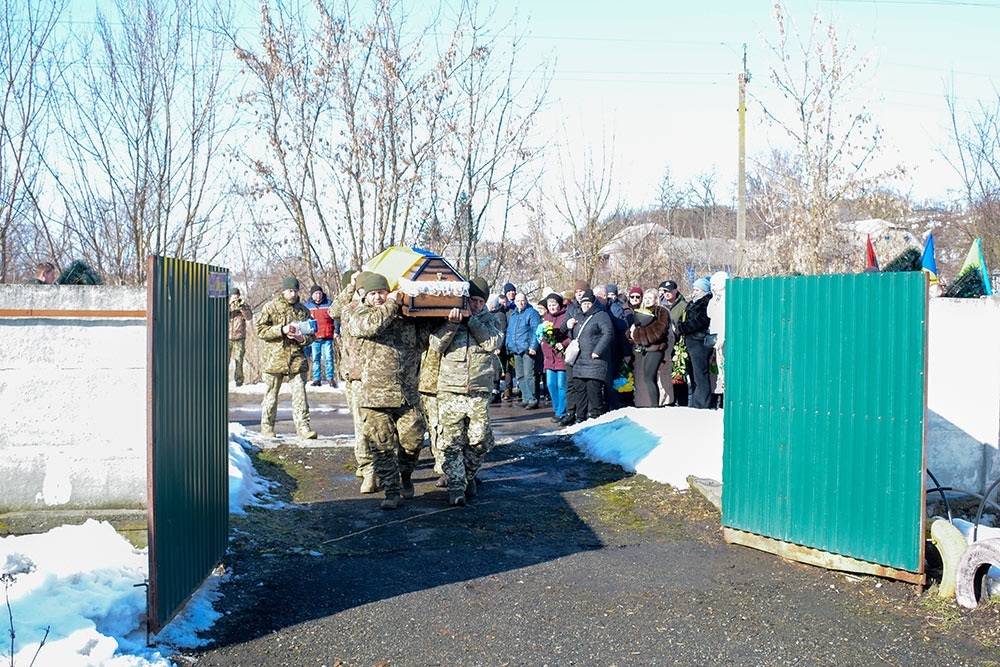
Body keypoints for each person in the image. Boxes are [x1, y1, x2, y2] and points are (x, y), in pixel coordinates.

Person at [344, 272, 428, 510]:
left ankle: (406, 475)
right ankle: (391, 491)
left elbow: (423, 341)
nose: (378, 297)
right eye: (373, 293)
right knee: (381, 447)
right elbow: (371, 326)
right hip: (375, 397)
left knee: (413, 442)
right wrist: (393, 301)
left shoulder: (403, 317)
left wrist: (446, 320)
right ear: (365, 295)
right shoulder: (357, 314)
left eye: (381, 292)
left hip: (406, 394)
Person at [430, 277, 502, 506]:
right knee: (451, 442)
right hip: (450, 389)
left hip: (479, 390)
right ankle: (456, 488)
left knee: (480, 440)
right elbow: (435, 345)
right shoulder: (449, 318)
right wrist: (452, 324)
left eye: (481, 301)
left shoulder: (491, 320)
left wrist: (472, 321)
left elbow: (492, 343)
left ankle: (468, 475)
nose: (476, 305)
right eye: (472, 300)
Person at [332, 271, 378, 493]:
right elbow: (333, 311)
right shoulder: (349, 309)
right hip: (356, 375)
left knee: (380, 426)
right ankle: (368, 468)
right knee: (361, 425)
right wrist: (350, 287)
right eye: (361, 289)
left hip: (381, 377)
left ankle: (382, 466)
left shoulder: (384, 311)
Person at [255, 277, 318, 439]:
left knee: (300, 395)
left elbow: (312, 335)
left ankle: (303, 428)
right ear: (283, 291)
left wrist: (300, 339)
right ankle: (267, 426)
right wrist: (281, 330)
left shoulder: (303, 310)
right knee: (271, 394)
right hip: (274, 358)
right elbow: (261, 331)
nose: (293, 294)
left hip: (297, 359)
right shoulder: (271, 307)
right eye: (290, 291)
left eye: (295, 291)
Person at [563, 289, 614, 423]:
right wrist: (569, 327)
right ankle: (580, 418)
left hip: (594, 362)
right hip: (579, 362)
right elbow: (571, 336)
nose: (586, 306)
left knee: (594, 391)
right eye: (584, 303)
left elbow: (608, 333)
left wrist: (598, 351)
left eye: (588, 303)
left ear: (593, 303)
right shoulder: (579, 317)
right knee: (579, 391)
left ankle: (595, 418)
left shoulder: (601, 315)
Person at [626, 288, 673, 408]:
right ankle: (651, 404)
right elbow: (631, 333)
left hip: (656, 349)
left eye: (650, 298)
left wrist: (637, 334)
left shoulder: (661, 311)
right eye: (645, 298)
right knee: (647, 378)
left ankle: (655, 406)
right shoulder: (640, 312)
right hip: (645, 350)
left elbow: (659, 332)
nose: (647, 300)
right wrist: (631, 334)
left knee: (649, 377)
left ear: (656, 299)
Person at [676, 277, 713, 409]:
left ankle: (702, 403)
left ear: (704, 290)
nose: (694, 292)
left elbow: (701, 320)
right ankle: (696, 401)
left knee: (700, 374)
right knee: (693, 374)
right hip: (690, 341)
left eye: (697, 289)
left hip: (699, 341)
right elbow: (683, 317)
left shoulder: (706, 302)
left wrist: (684, 327)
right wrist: (680, 325)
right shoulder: (693, 302)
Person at [538, 292, 571, 424]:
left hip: (560, 356)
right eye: (550, 305)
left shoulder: (565, 316)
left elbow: (571, 336)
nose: (552, 307)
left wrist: (563, 344)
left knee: (561, 385)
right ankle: (557, 409)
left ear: (559, 305)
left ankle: (561, 412)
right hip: (548, 357)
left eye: (554, 304)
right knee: (551, 384)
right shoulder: (546, 317)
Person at [505, 292, 542, 409]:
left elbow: (537, 330)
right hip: (516, 349)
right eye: (518, 301)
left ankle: (533, 399)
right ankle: (526, 398)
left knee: (529, 375)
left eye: (522, 300)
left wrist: (533, 346)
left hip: (527, 349)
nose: (520, 303)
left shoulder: (532, 313)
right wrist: (508, 345)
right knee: (520, 375)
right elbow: (509, 332)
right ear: (515, 302)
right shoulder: (513, 315)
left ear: (526, 301)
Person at [658, 280, 689, 407]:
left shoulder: (683, 305)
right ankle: (667, 401)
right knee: (664, 375)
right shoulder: (659, 305)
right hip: (663, 345)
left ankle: (682, 403)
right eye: (665, 291)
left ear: (676, 290)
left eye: (670, 291)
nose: (667, 293)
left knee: (678, 375)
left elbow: (686, 323)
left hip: (678, 345)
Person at [305, 285, 336, 387]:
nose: (318, 296)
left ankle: (330, 378)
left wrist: (337, 331)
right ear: (312, 295)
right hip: (314, 337)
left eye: (319, 293)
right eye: (316, 294)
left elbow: (336, 318)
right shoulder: (307, 306)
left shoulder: (329, 304)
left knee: (328, 358)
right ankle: (317, 379)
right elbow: (304, 321)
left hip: (327, 336)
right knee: (315, 359)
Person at [707, 271, 729, 408]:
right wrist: (714, 297)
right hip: (714, 335)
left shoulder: (727, 298)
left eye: (715, 284)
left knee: (724, 368)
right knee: (718, 369)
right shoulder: (716, 298)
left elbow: (724, 320)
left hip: (722, 336)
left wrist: (722, 336)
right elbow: (710, 313)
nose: (713, 287)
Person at [228, 288, 254, 387]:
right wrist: (230, 304)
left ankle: (239, 381)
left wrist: (242, 308)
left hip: (239, 337)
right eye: (234, 295)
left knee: (239, 360)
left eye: (237, 295)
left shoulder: (244, 305)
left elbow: (249, 317)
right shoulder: (226, 304)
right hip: (227, 337)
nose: (236, 297)